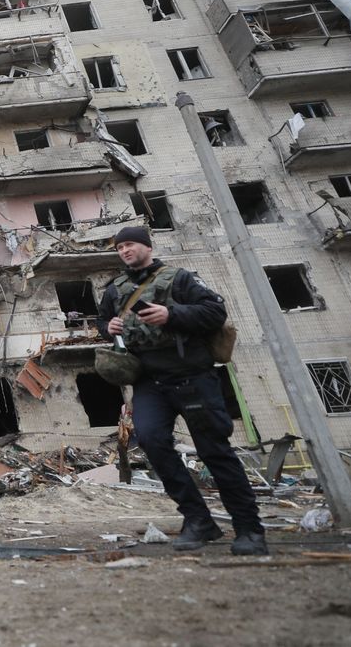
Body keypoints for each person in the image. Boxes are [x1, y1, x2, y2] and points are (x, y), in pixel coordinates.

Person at [96, 226, 267, 556]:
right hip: (148, 381)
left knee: (214, 451)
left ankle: (249, 529)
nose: (124, 251)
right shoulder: (116, 289)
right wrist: (109, 328)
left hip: (192, 376)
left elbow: (215, 311)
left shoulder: (180, 278)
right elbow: (103, 321)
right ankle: (198, 520)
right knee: (152, 442)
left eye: (130, 244)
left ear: (147, 246)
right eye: (119, 248)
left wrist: (171, 314)